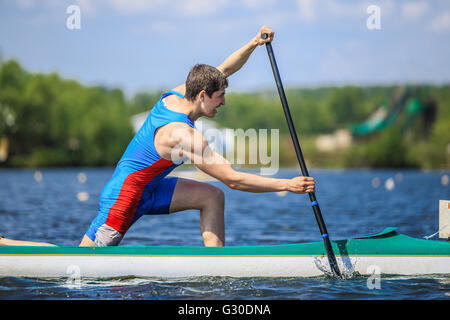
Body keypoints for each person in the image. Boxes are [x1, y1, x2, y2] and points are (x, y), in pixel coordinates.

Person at [0, 26, 315, 248]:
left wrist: (253, 44)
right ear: (203, 95)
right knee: (82, 261)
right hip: (123, 200)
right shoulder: (184, 136)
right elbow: (232, 178)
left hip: (152, 187)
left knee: (212, 197)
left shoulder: (178, 95)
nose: (223, 103)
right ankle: (8, 246)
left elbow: (222, 69)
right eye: (220, 96)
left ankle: (215, 266)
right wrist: (287, 184)